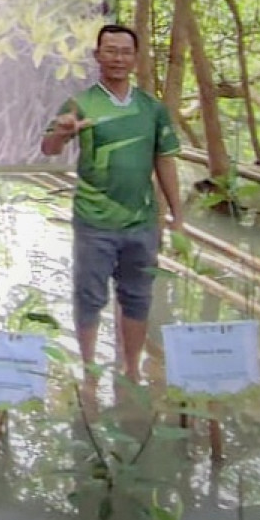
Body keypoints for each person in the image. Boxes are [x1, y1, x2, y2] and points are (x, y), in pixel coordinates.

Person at [40, 23, 182, 382]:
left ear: (135, 58)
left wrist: (177, 216)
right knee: (89, 296)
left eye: (125, 51)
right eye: (111, 50)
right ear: (97, 55)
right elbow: (49, 148)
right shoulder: (80, 104)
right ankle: (89, 372)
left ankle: (131, 369)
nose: (118, 58)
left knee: (137, 296)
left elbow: (165, 161)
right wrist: (62, 132)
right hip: (93, 222)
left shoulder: (152, 108)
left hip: (141, 221)